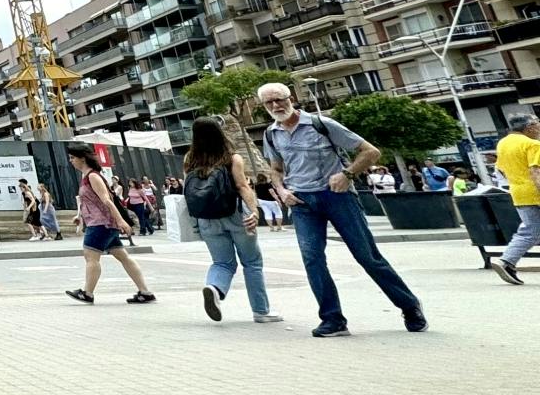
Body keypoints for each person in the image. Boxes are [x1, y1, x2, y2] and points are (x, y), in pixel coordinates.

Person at [256, 82, 424, 338]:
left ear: (292, 98)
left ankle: (409, 306)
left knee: (367, 256)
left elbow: (371, 152)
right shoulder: (271, 134)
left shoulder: (321, 124)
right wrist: (281, 191)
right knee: (312, 259)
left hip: (338, 197)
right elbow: (276, 169)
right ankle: (333, 319)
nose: (276, 106)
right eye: (269, 103)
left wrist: (347, 174)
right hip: (301, 202)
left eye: (279, 99)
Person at [181, 119, 280, 324]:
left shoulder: (189, 160)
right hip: (235, 214)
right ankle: (261, 311)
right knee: (252, 262)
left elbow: (189, 191)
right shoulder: (231, 158)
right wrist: (254, 211)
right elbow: (242, 186)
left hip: (207, 218)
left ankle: (215, 288)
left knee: (222, 262)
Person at [63, 144, 156, 305]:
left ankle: (88, 293)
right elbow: (91, 202)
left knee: (91, 256)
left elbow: (107, 200)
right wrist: (81, 217)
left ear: (82, 158)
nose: (71, 161)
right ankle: (145, 292)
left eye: (72, 157)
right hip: (102, 222)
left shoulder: (93, 176)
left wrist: (120, 220)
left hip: (101, 223)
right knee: (123, 256)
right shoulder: (87, 176)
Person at [491, 111, 540, 285]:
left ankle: (508, 261)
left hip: (518, 192)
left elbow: (501, 170)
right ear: (529, 127)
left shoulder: (503, 143)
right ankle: (507, 261)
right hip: (535, 193)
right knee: (532, 230)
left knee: (532, 229)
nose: (539, 126)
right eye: (537, 123)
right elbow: (536, 172)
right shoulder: (532, 144)